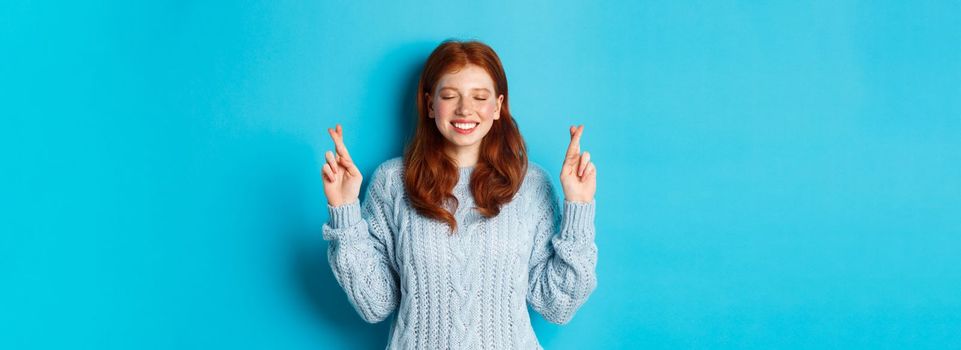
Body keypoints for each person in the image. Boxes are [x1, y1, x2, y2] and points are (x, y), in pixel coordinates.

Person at [319, 39, 597, 349]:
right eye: (450, 96)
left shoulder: (531, 185)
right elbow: (375, 304)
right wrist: (344, 212)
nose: (465, 109)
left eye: (480, 97)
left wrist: (578, 207)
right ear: (429, 104)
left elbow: (556, 305)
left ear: (498, 107)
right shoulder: (392, 182)